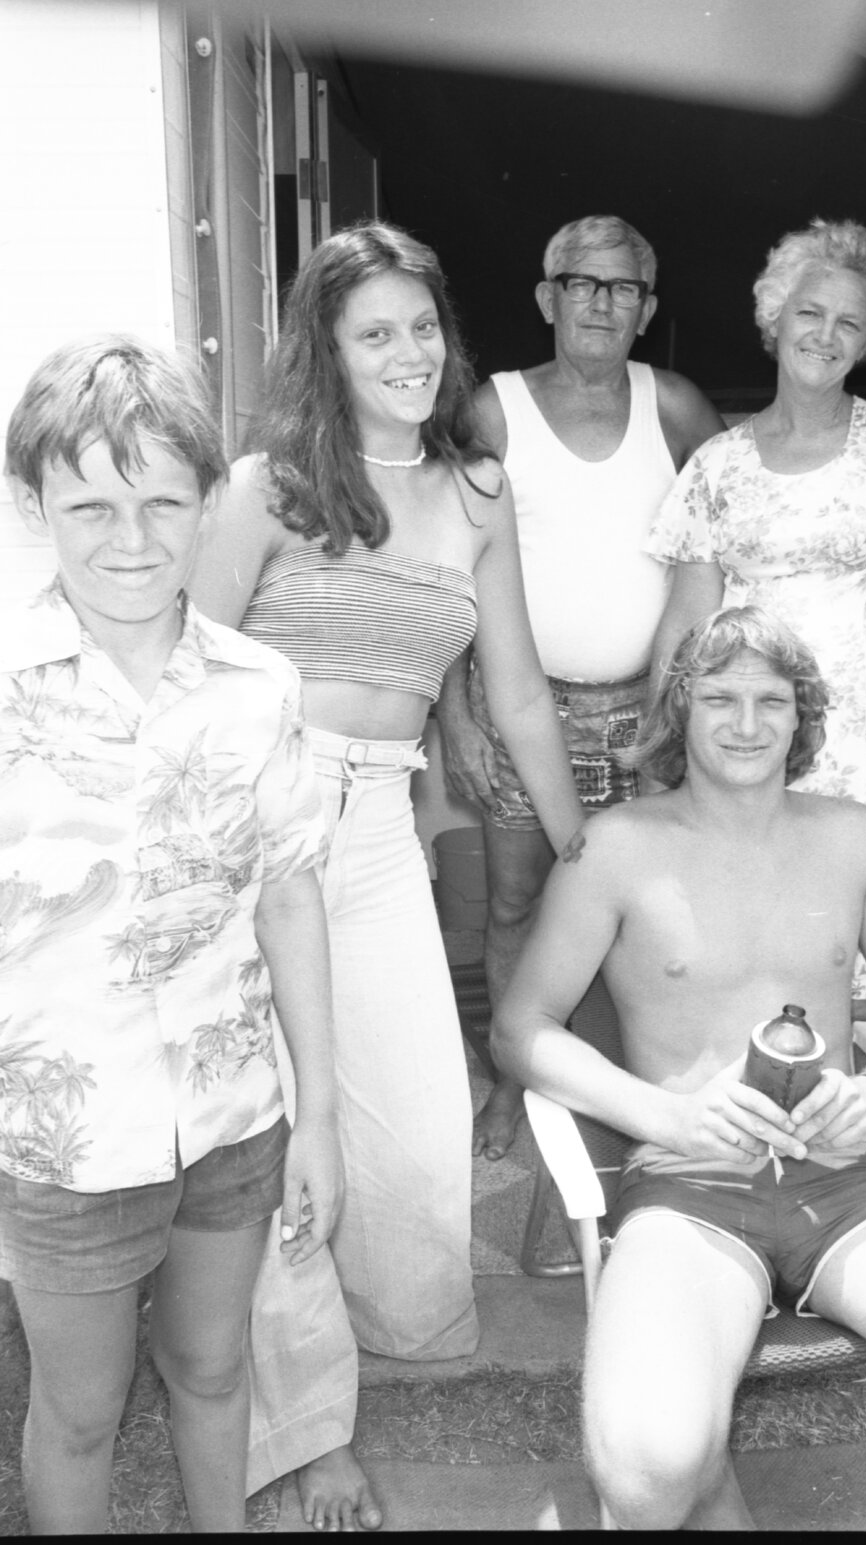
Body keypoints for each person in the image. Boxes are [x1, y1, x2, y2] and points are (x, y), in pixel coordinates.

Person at [189, 220, 584, 1530]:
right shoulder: (266, 488)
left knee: (414, 1121)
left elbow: (515, 691)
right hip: (254, 823)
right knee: (281, 1126)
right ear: (327, 348)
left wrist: (584, 848)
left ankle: (369, 1340)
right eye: (375, 334)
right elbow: (186, 675)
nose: (409, 353)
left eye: (422, 326)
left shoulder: (477, 490)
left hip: (373, 828)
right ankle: (308, 1437)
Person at [493, 605, 866, 1530]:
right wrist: (665, 1116)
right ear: (678, 710)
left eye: (771, 700)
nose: (746, 722)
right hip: (691, 1187)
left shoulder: (849, 834)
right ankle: (704, 1471)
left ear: (801, 716)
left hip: (847, 1186)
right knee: (648, 1473)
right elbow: (520, 1028)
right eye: (719, 698)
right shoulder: (616, 846)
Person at [0, 337, 340, 1534]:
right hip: (66, 1141)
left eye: (162, 502)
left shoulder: (261, 689)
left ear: (208, 503)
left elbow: (289, 896)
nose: (131, 538)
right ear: (33, 506)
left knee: (212, 1370)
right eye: (91, 506)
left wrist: (319, 1116)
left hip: (232, 1116)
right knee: (78, 1414)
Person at [647, 216, 866, 1010]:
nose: (825, 334)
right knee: (749, 967)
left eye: (849, 321)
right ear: (774, 318)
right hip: (750, 737)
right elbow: (684, 630)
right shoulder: (715, 466)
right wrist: (663, 756)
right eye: (809, 312)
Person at [436, 213, 724, 1158]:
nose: (601, 303)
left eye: (622, 287)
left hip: (650, 710)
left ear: (647, 307)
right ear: (546, 296)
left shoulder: (673, 406)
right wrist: (455, 715)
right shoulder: (493, 410)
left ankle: (651, 1083)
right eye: (581, 283)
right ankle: (512, 1082)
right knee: (516, 902)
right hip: (522, 712)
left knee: (654, 906)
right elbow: (441, 568)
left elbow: (731, 534)